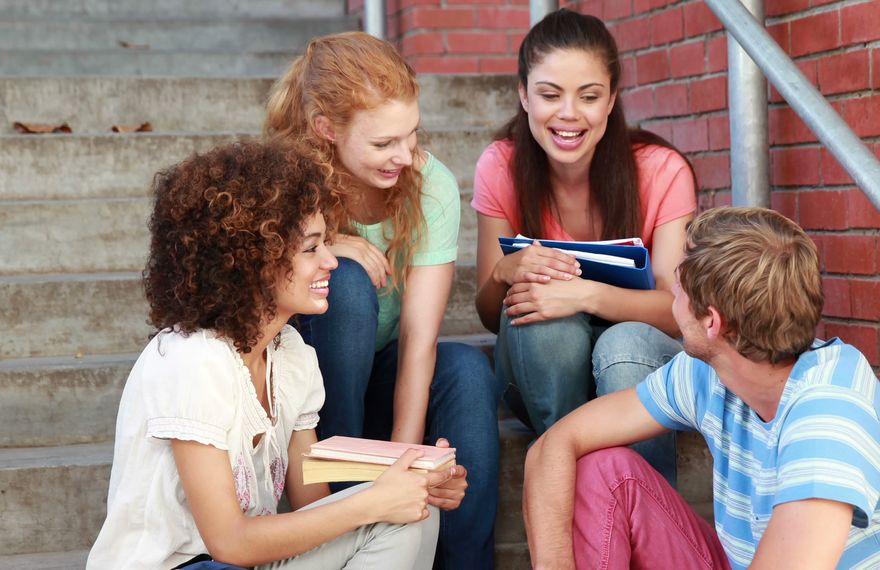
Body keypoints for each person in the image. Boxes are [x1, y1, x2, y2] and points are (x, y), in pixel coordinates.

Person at [87, 141, 462, 570]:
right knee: (383, 508)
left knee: (413, 512)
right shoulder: (192, 361)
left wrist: (412, 485)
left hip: (247, 561)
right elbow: (229, 542)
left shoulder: (291, 356)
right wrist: (373, 501)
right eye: (311, 248)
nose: (331, 262)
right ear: (252, 261)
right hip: (187, 565)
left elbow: (313, 509)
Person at [522, 207, 880, 569]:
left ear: (712, 321)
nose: (671, 291)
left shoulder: (831, 415)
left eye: (679, 282)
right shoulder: (708, 371)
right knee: (606, 473)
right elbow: (554, 446)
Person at [264, 32, 501, 568]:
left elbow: (419, 338)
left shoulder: (429, 183)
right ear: (327, 131)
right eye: (384, 143)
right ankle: (354, 523)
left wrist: (404, 460)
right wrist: (332, 243)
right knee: (343, 282)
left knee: (466, 367)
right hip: (309, 399)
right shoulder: (286, 181)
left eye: (411, 135)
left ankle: (462, 560)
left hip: (384, 375)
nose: (404, 155)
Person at [471, 8, 697, 485]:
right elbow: (492, 316)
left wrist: (585, 295)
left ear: (612, 99)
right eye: (550, 94)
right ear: (523, 95)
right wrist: (502, 273)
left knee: (627, 343)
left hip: (632, 366)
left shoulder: (662, 169)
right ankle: (567, 486)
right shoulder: (501, 165)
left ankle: (647, 526)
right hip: (538, 369)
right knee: (544, 322)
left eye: (589, 96)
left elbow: (680, 312)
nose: (569, 114)